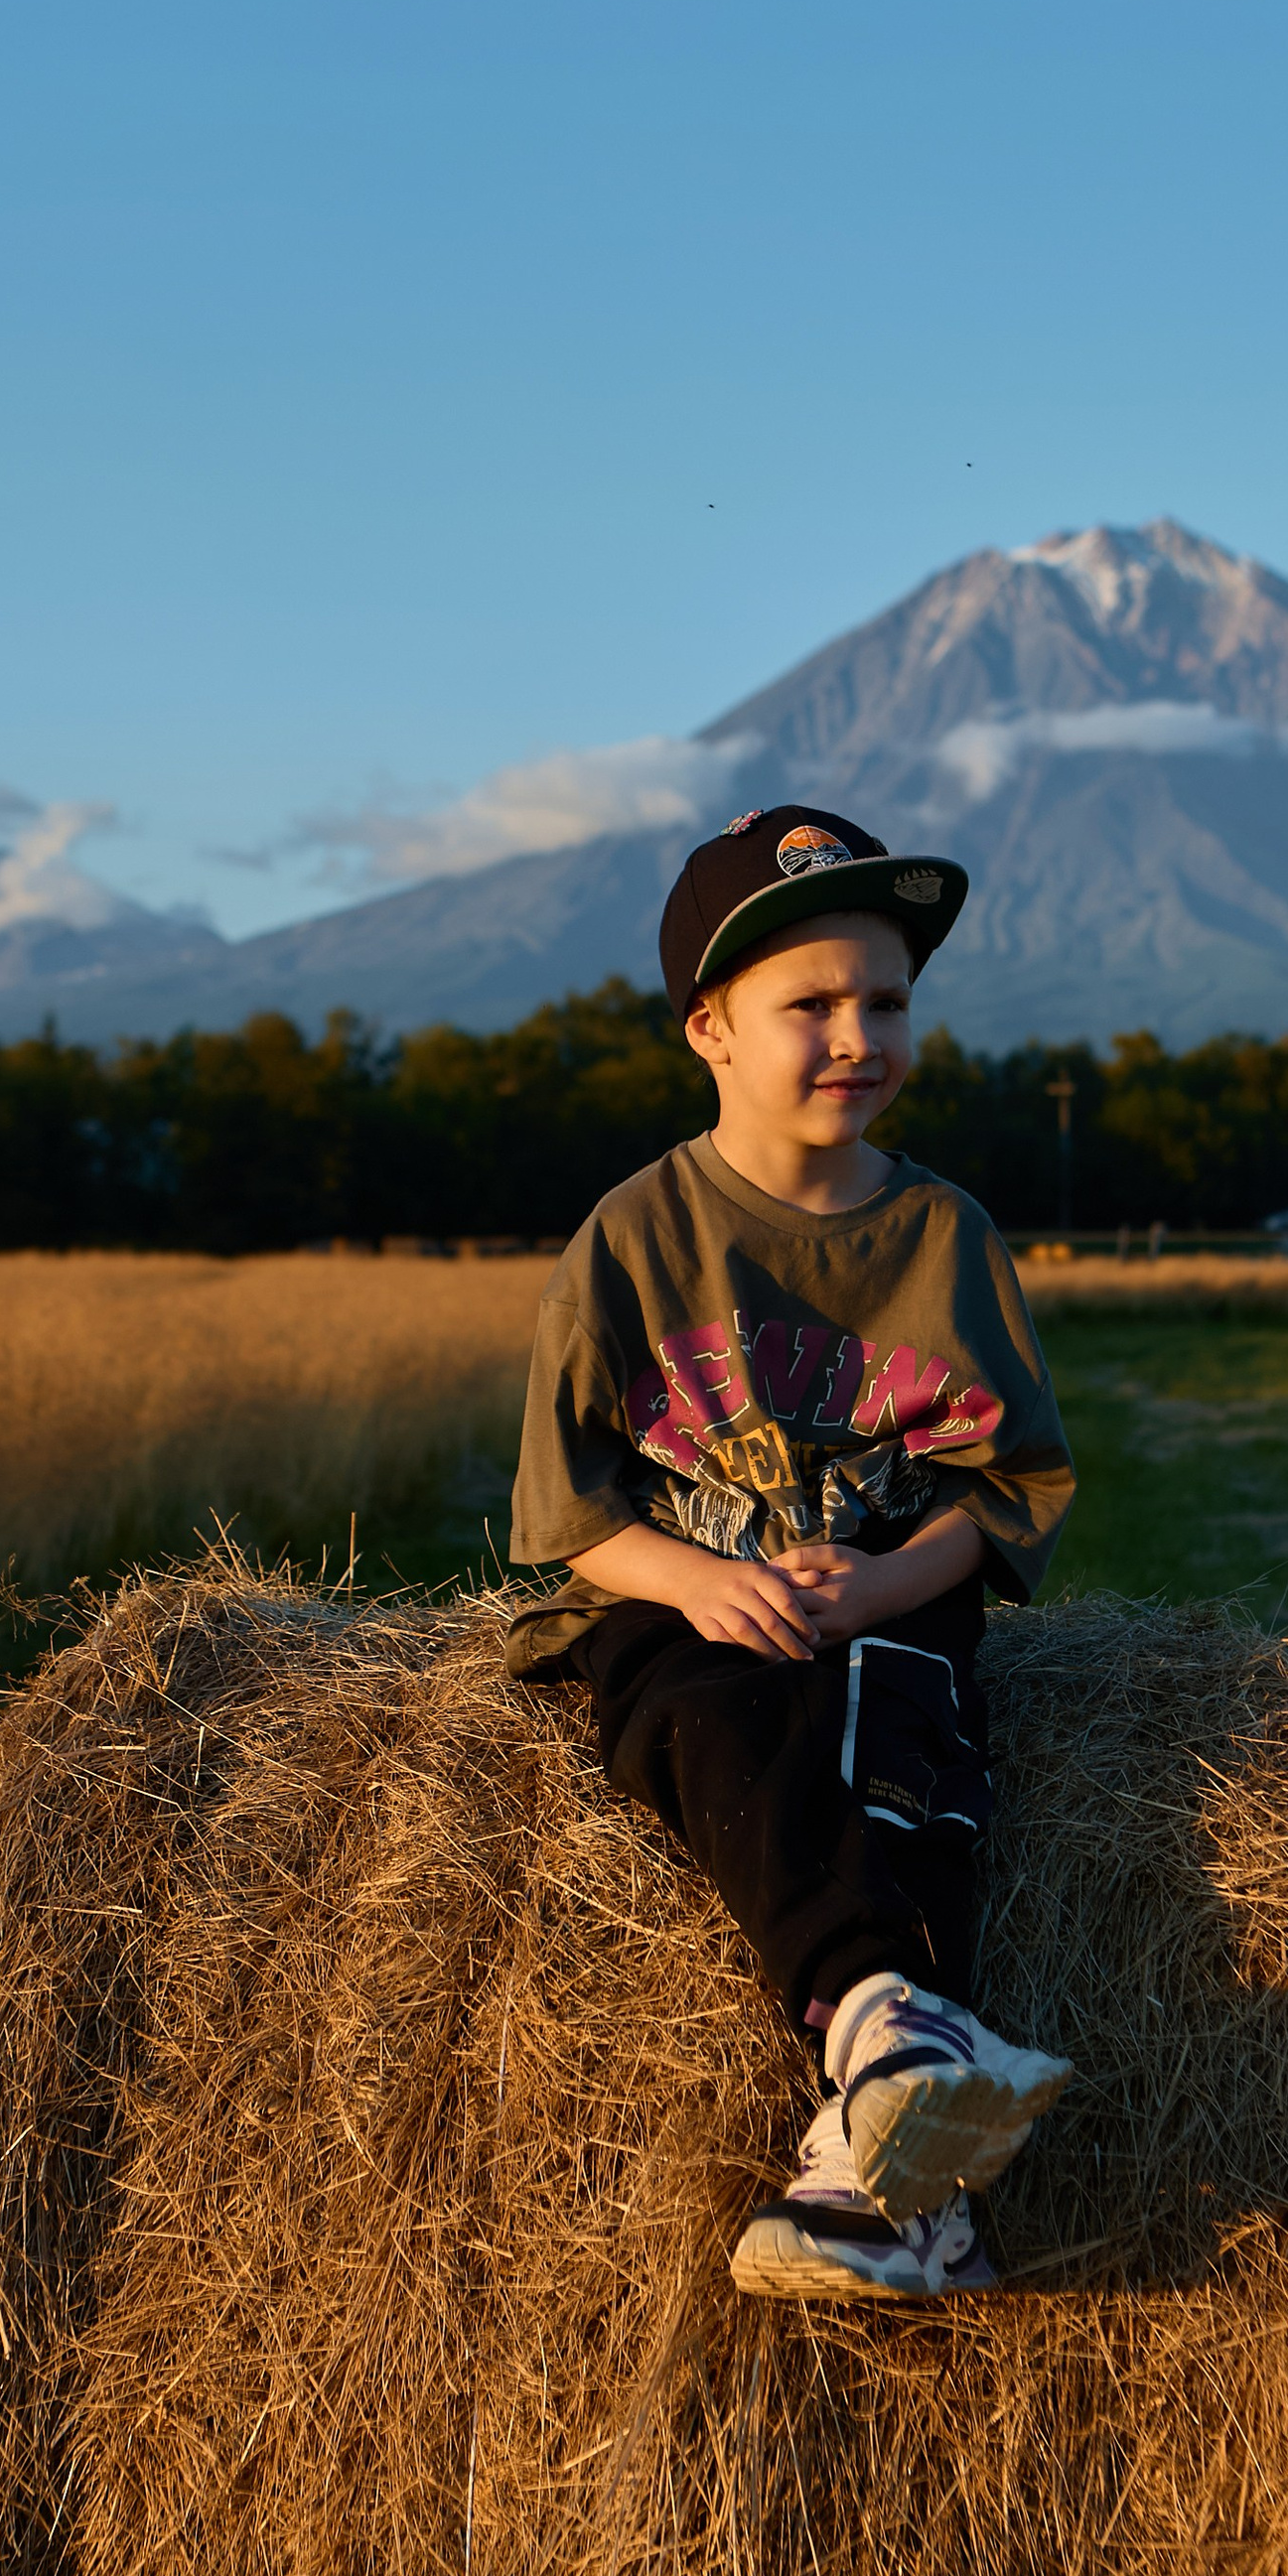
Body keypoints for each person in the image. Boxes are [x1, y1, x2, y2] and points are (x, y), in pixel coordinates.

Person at [505, 802, 1079, 2303]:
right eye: (810, 1005)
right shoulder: (633, 1240)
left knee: (905, 1752)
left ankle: (882, 2158)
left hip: (891, 1597)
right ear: (708, 1027)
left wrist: (884, 1584)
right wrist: (701, 1583)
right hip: (683, 1606)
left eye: (885, 1001)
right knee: (724, 1728)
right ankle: (890, 2033)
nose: (857, 1037)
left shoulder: (947, 1240)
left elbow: (1006, 1491)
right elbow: (568, 1514)